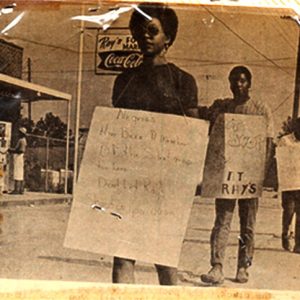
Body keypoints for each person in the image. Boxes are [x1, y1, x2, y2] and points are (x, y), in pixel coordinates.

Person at [112, 3, 198, 285]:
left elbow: (192, 135)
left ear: (168, 38)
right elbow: (114, 132)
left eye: (153, 31)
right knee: (123, 256)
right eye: (140, 30)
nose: (145, 36)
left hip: (166, 184)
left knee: (165, 260)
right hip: (128, 183)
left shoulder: (184, 81)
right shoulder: (123, 81)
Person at [200, 66, 274, 285]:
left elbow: (269, 141)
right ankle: (217, 266)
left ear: (249, 83)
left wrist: (261, 171)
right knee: (222, 220)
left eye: (242, 80)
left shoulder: (260, 108)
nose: (238, 85)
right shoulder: (224, 108)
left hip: (250, 176)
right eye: (234, 81)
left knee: (247, 224)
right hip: (228, 176)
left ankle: (243, 266)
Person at [277, 117, 300, 253]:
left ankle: (298, 245)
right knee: (289, 212)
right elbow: (281, 162)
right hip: (289, 185)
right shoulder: (285, 141)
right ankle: (285, 234)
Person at [8, 127, 27, 194]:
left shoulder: (21, 140)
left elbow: (20, 150)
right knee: (20, 173)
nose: (18, 133)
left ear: (22, 133)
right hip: (20, 157)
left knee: (17, 173)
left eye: (20, 132)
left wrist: (11, 150)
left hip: (19, 157)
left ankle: (16, 189)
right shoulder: (23, 140)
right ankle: (21, 189)